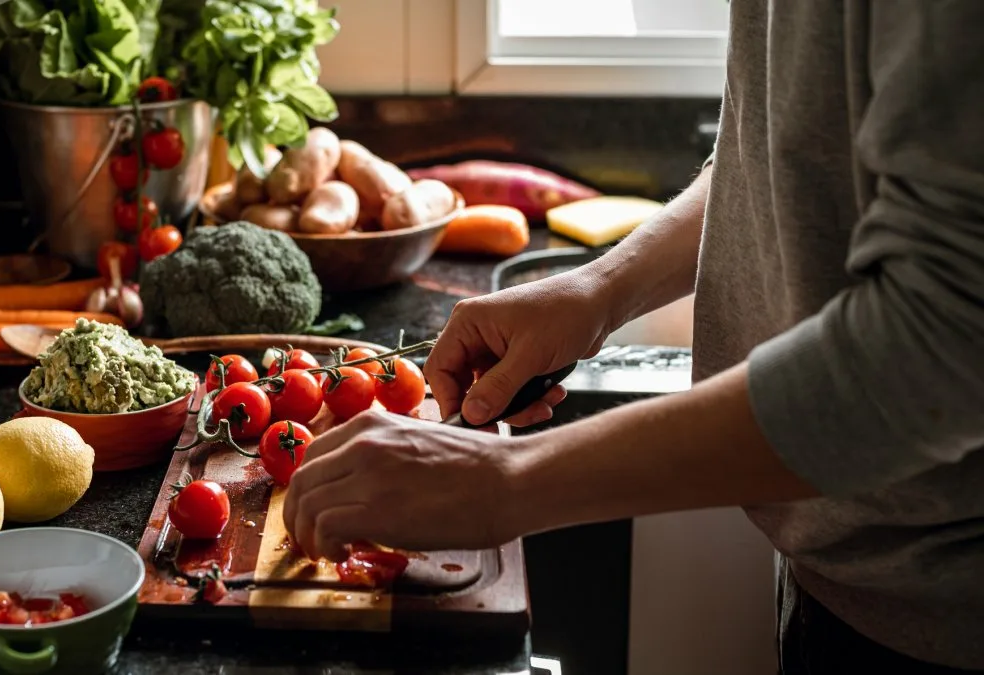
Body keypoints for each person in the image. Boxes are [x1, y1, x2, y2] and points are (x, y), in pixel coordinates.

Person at [283, 1, 984, 673]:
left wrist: (508, 481)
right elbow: (782, 153)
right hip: (847, 572)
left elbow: (943, 343)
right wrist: (601, 288)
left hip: (943, 622)